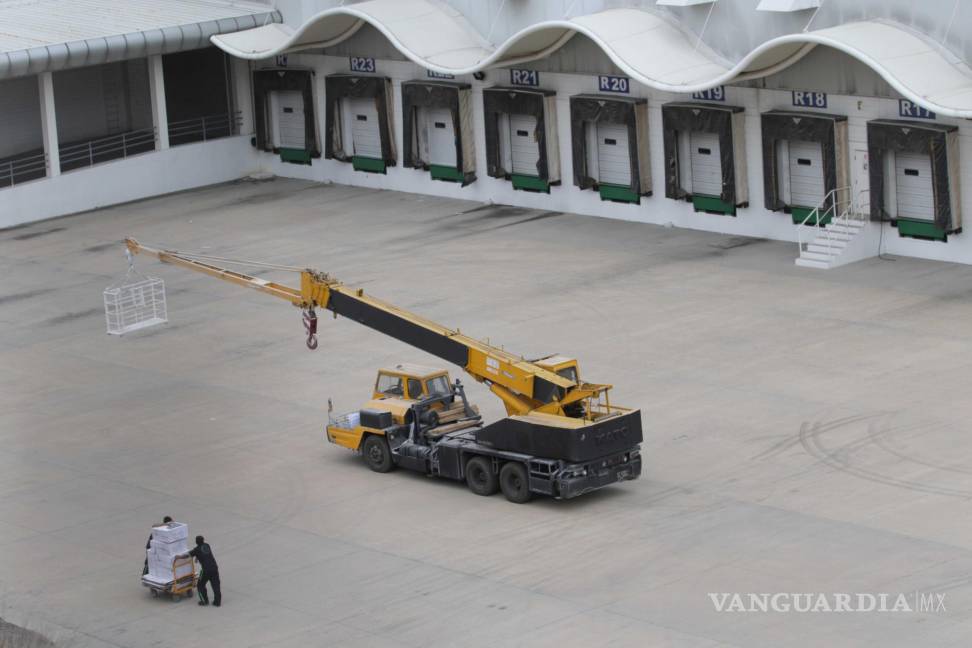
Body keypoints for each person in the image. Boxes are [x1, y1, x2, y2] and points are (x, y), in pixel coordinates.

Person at [179, 535, 220, 607]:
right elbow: (204, 554)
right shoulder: (207, 545)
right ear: (203, 540)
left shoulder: (196, 550)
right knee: (215, 585)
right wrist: (197, 558)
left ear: (196, 542)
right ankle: (217, 602)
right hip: (214, 568)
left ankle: (204, 601)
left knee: (200, 585)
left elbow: (187, 555)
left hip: (206, 570)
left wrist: (178, 557)